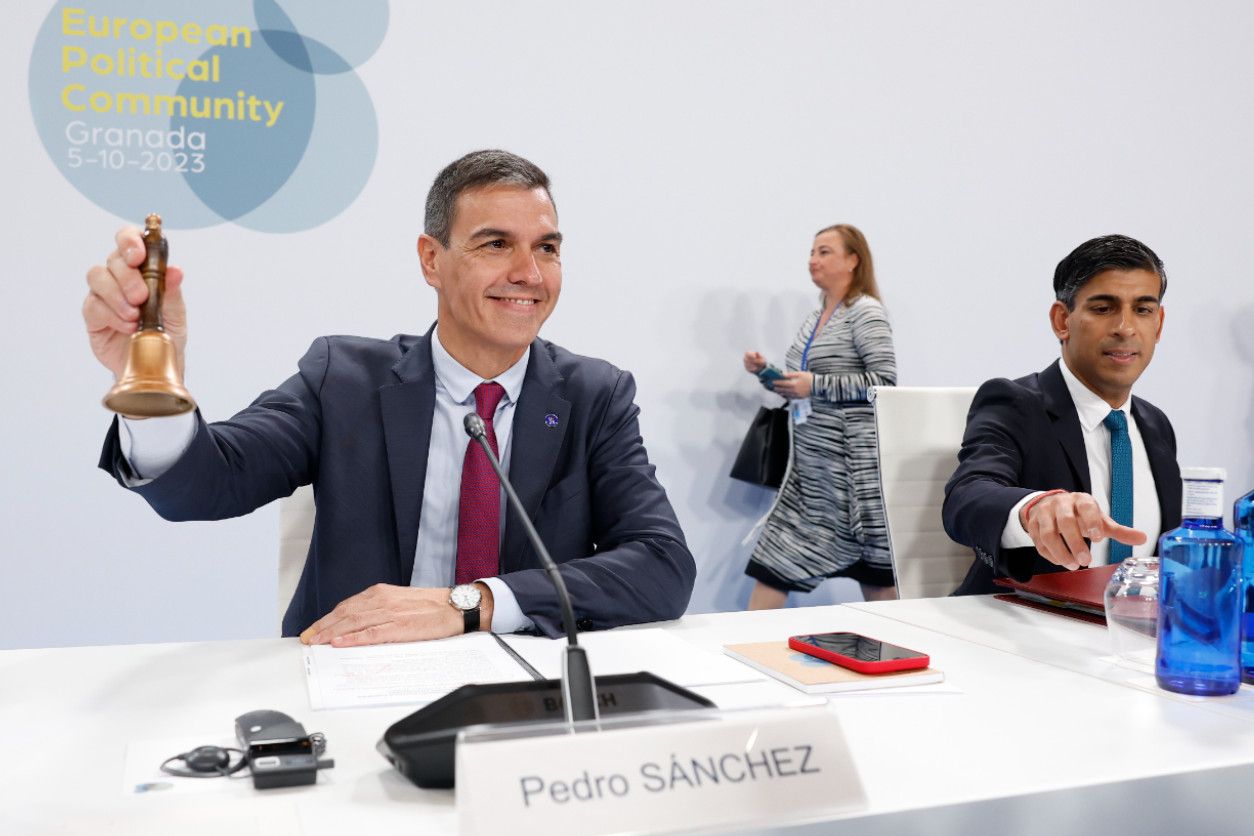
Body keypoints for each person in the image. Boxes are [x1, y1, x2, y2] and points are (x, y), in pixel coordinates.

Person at [85, 150, 695, 643]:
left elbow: (662, 565)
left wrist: (472, 604)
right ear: (432, 260)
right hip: (358, 679)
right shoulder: (343, 379)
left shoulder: (595, 396)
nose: (529, 274)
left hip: (525, 689)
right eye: (495, 244)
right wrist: (152, 380)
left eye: (547, 248)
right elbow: (206, 485)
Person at [944, 234, 1182, 595]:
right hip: (1017, 628)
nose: (1125, 328)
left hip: (1127, 639)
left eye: (1143, 309)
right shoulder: (1014, 402)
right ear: (1062, 320)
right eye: (1103, 308)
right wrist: (1033, 508)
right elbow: (967, 497)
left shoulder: (1156, 426)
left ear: (1159, 324)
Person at [742, 224, 898, 609]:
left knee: (876, 574)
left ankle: (901, 650)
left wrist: (817, 386)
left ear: (853, 260)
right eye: (812, 252)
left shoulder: (866, 313)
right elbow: (802, 384)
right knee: (775, 561)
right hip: (811, 472)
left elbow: (885, 382)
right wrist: (768, 373)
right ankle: (747, 648)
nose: (813, 260)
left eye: (825, 251)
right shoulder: (816, 317)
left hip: (850, 475)